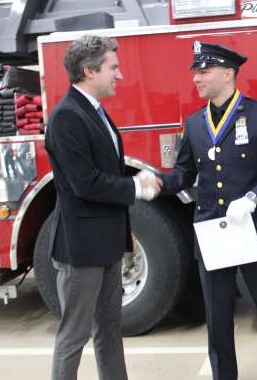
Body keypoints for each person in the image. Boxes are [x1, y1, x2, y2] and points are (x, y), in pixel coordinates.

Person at [159, 41, 257, 380]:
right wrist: (155, 184)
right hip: (213, 230)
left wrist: (254, 198)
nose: (196, 78)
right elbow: (184, 173)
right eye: (195, 72)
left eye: (203, 71)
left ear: (228, 74)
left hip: (252, 226)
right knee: (218, 317)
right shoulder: (194, 123)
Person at [44, 34, 161, 380]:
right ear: (88, 70)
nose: (119, 75)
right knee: (74, 335)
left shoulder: (94, 112)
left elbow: (102, 171)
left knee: (109, 331)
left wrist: (133, 184)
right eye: (113, 67)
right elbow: (86, 183)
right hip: (82, 251)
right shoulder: (66, 117)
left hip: (107, 244)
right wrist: (135, 186)